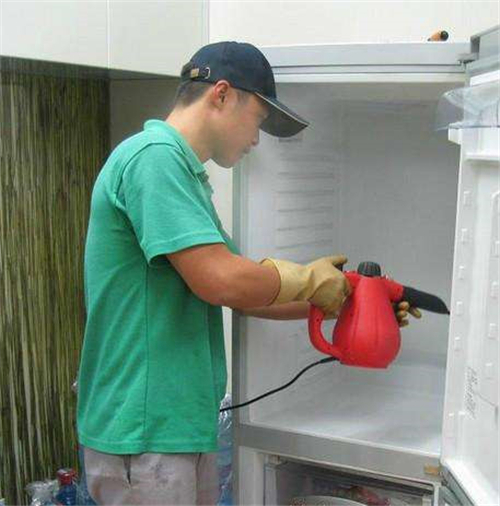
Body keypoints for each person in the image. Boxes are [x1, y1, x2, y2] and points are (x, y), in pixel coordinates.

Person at [76, 41, 420, 505]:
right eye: (258, 119)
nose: (257, 139)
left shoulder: (182, 174)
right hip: (144, 429)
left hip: (172, 428)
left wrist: (351, 304)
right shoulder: (154, 158)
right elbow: (222, 280)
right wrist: (309, 279)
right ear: (221, 94)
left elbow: (244, 291)